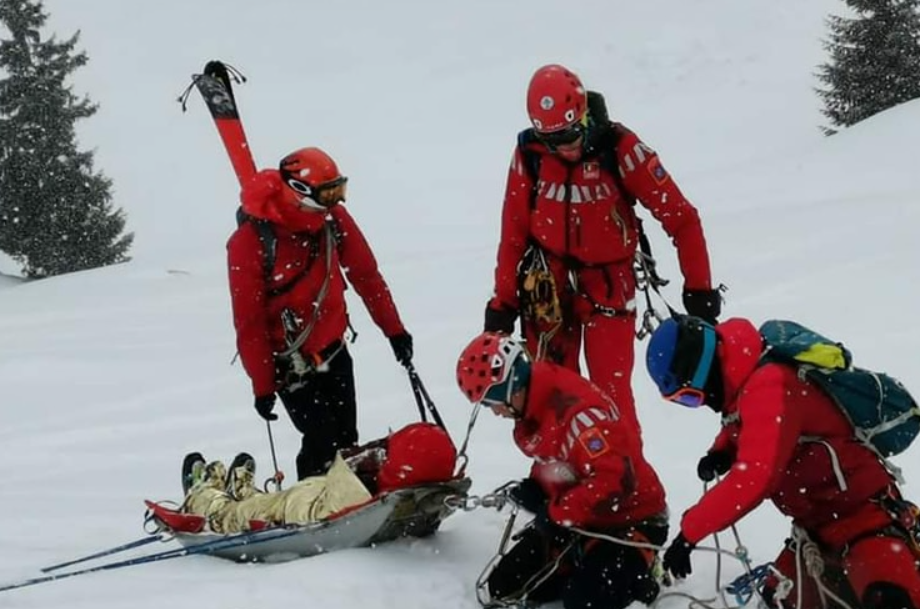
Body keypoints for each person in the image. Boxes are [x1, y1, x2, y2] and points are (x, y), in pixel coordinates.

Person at [483, 63, 720, 437]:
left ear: (583, 114)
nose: (566, 146)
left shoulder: (621, 148)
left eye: (571, 134)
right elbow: (513, 233)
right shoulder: (529, 154)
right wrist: (503, 303)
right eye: (554, 139)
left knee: (610, 399)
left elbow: (682, 219)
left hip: (609, 286)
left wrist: (700, 288)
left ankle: (631, 487)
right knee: (549, 396)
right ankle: (558, 484)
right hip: (547, 286)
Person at [645, 315, 920, 609]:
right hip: (816, 533)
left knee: (890, 600)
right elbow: (742, 420)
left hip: (865, 520)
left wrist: (689, 533)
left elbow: (753, 480)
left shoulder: (770, 383)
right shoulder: (746, 375)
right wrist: (722, 450)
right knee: (777, 602)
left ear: (701, 371)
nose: (699, 404)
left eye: (690, 397)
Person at [227, 146, 414, 480]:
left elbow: (365, 275)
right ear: (299, 191)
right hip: (290, 365)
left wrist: (394, 330)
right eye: (328, 192)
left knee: (345, 441)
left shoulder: (332, 219)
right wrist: (263, 385)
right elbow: (249, 322)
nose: (336, 201)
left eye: (338, 189)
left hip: (334, 350)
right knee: (321, 441)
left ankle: (344, 505)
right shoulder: (249, 242)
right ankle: (313, 511)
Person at [456, 332, 669, 609]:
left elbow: (614, 480)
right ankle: (583, 564)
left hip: (631, 519)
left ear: (510, 389)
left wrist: (559, 514)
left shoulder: (581, 416)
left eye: (490, 403)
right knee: (504, 585)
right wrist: (539, 486)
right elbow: (560, 459)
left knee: (583, 602)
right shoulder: (536, 406)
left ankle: (642, 572)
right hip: (582, 519)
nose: (494, 412)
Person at [180, 422, 458, 535]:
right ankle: (244, 492)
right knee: (271, 499)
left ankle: (202, 496)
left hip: (297, 509)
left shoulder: (363, 497)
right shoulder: (407, 491)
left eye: (387, 453)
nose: (380, 452)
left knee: (236, 514)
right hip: (315, 492)